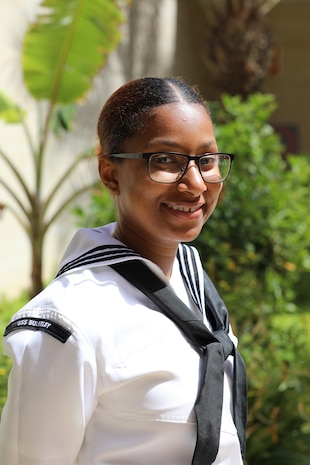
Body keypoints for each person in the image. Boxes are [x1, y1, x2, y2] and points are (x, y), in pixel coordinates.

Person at [0, 77, 247, 465]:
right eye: (165, 160)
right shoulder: (70, 324)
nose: (196, 183)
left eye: (207, 159)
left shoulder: (191, 279)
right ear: (110, 173)